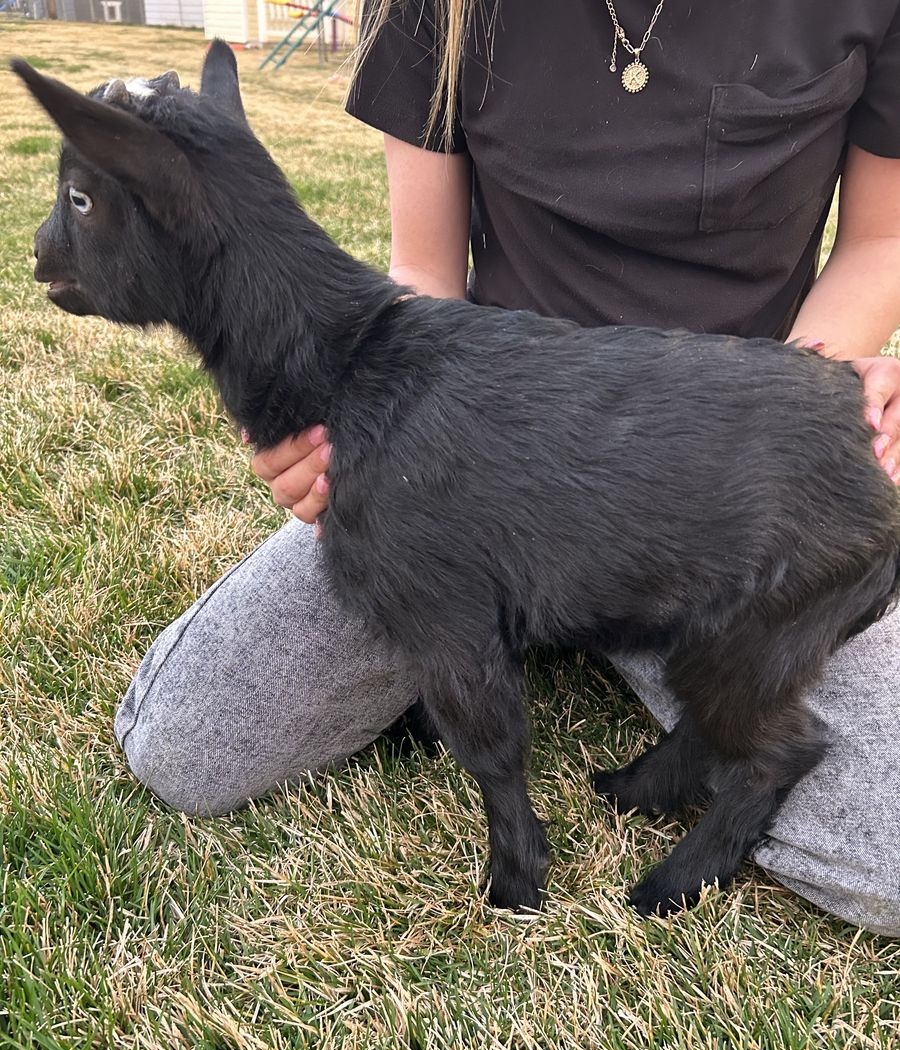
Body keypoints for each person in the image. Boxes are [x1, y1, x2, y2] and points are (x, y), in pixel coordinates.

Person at [115, 0, 900, 934]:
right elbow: (424, 274)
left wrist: (819, 417)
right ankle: (529, 638)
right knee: (186, 746)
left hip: (718, 506)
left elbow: (880, 239)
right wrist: (340, 434)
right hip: (478, 472)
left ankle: (634, 679)